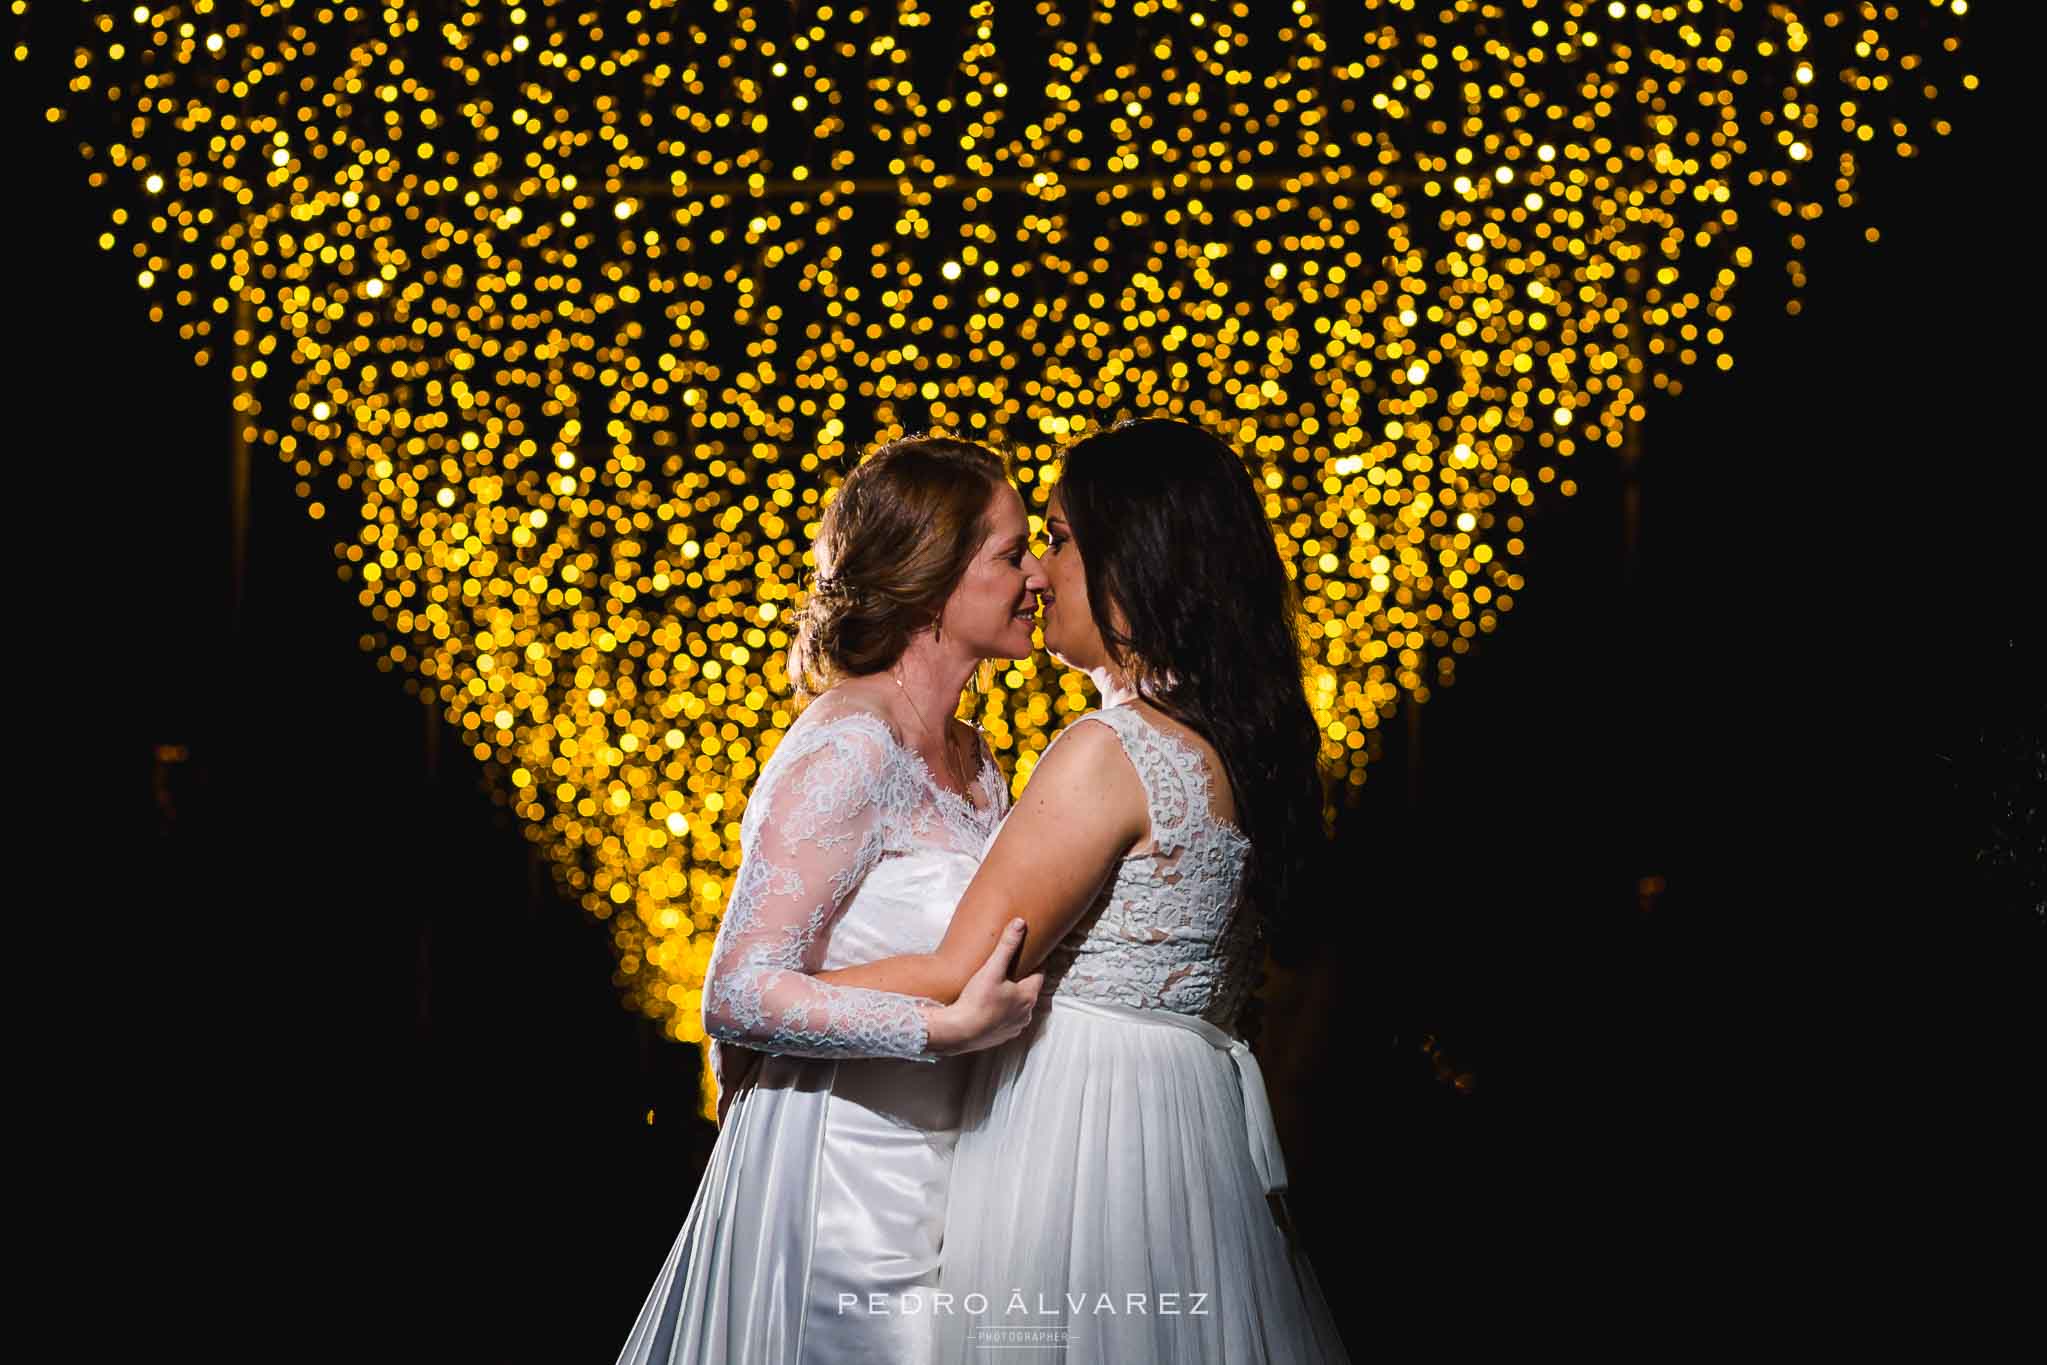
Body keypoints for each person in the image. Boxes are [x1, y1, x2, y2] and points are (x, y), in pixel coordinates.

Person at [814, 418, 1352, 1362]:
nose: (1036, 572)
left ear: (1131, 563)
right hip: (1185, 1131)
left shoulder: (1109, 752)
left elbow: (957, 966)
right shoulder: (1229, 745)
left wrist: (768, 1002)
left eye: (1057, 540)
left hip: (1085, 1136)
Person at [616, 435, 1051, 1365]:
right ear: (934, 574)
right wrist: (941, 1030)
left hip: (953, 1162)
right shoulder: (850, 743)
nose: (1036, 578)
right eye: (1010, 554)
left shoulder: (980, 762)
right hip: (844, 1174)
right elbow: (736, 991)